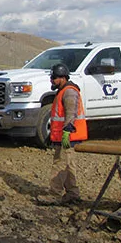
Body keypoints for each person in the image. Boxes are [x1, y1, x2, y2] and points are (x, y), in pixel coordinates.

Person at [37, 63, 87, 206]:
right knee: (68, 165)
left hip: (68, 136)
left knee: (60, 164)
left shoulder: (69, 92)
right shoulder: (63, 91)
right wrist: (52, 135)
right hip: (66, 136)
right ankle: (72, 193)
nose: (52, 80)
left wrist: (66, 132)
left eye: (54, 78)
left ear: (63, 77)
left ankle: (55, 194)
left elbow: (71, 113)